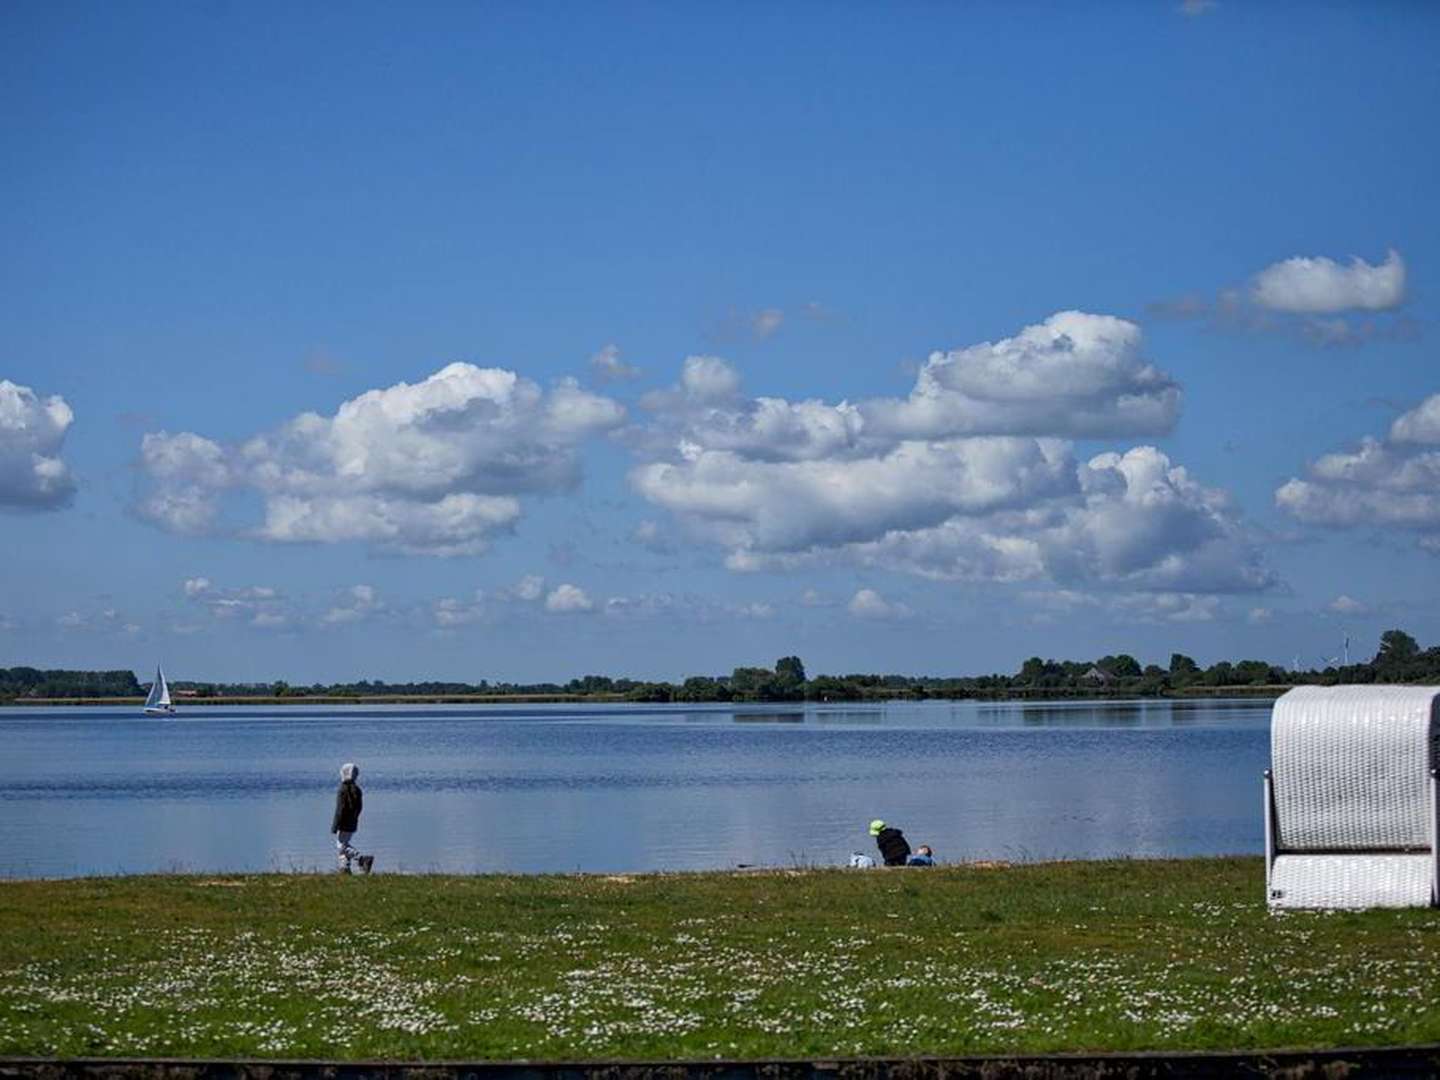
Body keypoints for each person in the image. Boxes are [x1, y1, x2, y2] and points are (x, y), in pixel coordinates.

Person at [331, 762, 374, 874]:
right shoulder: (357, 789)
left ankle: (361, 858)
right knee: (344, 844)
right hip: (353, 821)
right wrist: (355, 817)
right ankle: (344, 868)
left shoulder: (342, 789)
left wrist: (335, 826)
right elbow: (360, 807)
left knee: (341, 845)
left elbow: (339, 810)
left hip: (343, 822)